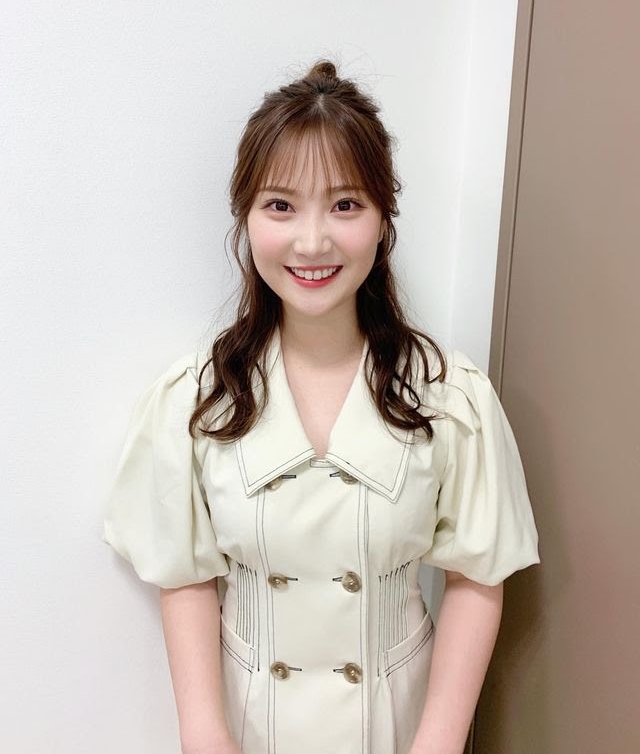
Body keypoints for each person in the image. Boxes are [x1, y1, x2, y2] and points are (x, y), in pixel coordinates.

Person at [102, 59, 540, 754]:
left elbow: (475, 577)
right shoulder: (197, 399)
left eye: (345, 204)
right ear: (246, 218)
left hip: (399, 730)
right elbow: (185, 578)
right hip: (250, 731)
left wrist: (436, 744)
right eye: (280, 205)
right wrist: (205, 738)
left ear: (383, 219)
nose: (312, 242)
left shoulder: (448, 396)